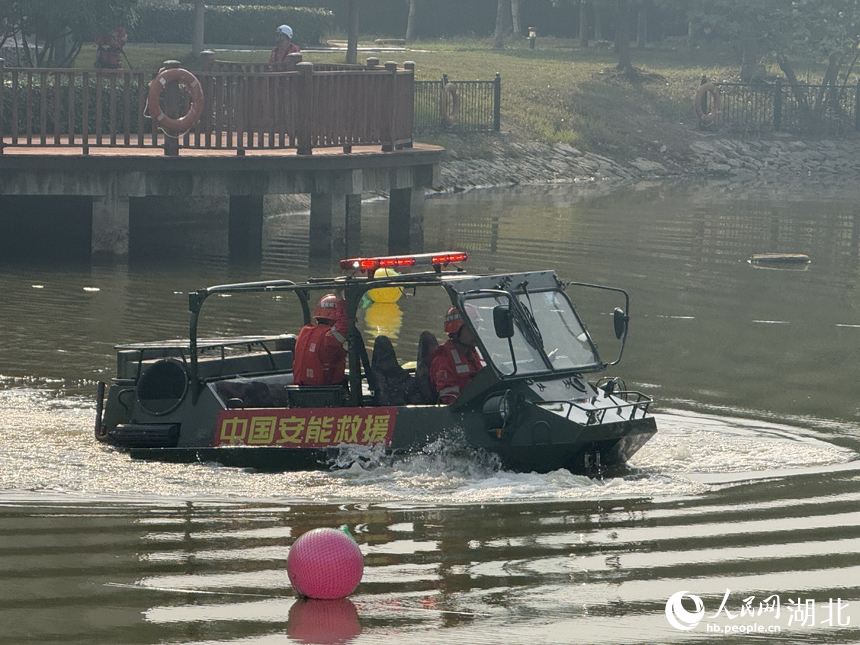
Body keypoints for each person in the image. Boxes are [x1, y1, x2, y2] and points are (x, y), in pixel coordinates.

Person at [430, 306, 484, 405]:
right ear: (456, 331)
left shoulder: (473, 354)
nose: (475, 333)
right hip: (462, 413)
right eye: (470, 328)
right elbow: (450, 401)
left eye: (476, 327)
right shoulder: (443, 360)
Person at [292, 293, 348, 386]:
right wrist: (340, 298)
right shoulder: (329, 339)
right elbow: (345, 325)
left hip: (302, 392)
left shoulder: (305, 333)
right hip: (328, 393)